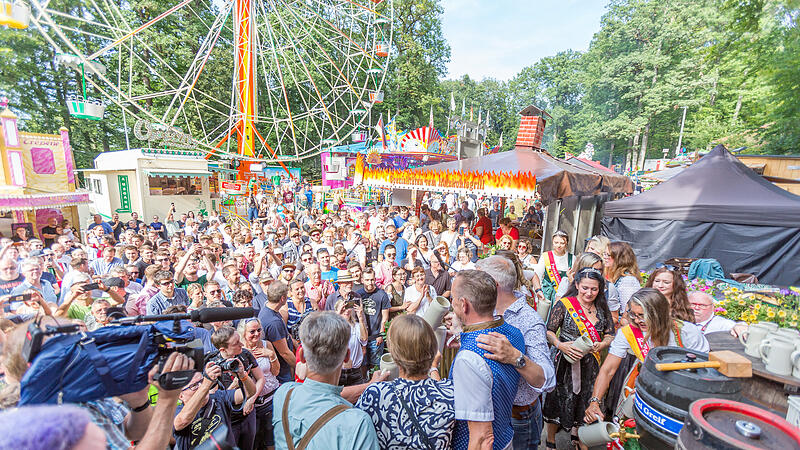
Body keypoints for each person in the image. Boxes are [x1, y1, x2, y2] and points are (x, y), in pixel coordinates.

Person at [584, 289, 709, 427]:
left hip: (681, 390)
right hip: (644, 385)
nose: (637, 320)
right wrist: (595, 401)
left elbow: (704, 368)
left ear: (660, 313)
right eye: (633, 314)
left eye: (643, 315)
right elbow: (608, 370)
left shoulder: (687, 331)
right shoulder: (628, 333)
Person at [476, 255, 555, 450]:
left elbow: (547, 379)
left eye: (477, 280)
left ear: (493, 285)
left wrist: (515, 357)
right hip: (491, 414)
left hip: (518, 419)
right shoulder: (486, 309)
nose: (473, 285)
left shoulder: (529, 320)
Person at [272, 311, 380, 450]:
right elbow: (327, 396)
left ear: (302, 356)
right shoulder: (358, 423)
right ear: (347, 356)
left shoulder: (284, 394)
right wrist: (371, 386)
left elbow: (320, 395)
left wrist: (369, 385)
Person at [449, 270, 524, 450]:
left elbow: (482, 437)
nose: (451, 303)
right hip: (505, 436)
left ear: (464, 304)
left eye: (453, 298)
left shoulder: (468, 359)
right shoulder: (514, 333)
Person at [356, 314, 455, 448]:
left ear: (393, 352)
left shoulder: (376, 394)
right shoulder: (450, 393)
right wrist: (433, 369)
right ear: (433, 349)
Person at [543, 268, 614, 449]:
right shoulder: (565, 304)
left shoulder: (602, 308)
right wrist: (560, 345)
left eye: (594, 289)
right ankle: (550, 440)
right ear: (576, 285)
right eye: (585, 288)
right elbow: (549, 331)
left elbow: (610, 334)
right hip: (565, 362)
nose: (589, 293)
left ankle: (580, 437)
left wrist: (602, 344)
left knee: (585, 400)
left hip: (591, 365)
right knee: (558, 399)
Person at [173, 359, 257, 450]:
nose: (200, 386)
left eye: (201, 381)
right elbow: (181, 422)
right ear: (180, 395)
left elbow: (250, 393)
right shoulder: (176, 412)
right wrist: (206, 384)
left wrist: (243, 375)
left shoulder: (219, 397)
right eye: (194, 386)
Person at [209, 326, 264, 450]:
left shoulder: (245, 354)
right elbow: (214, 400)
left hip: (248, 413)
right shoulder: (213, 365)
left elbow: (260, 378)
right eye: (236, 343)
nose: (241, 344)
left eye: (240, 340)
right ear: (223, 349)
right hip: (228, 419)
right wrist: (233, 386)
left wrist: (251, 400)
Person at [258, 282, 297, 383]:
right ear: (282, 298)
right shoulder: (273, 322)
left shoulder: (267, 308)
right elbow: (284, 353)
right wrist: (301, 369)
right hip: (281, 373)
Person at [356, 267, 390, 374]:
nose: (370, 282)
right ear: (362, 280)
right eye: (367, 280)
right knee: (362, 364)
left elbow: (385, 317)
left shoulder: (382, 294)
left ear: (375, 279)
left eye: (372, 279)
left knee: (375, 365)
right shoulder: (358, 295)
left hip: (376, 336)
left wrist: (381, 334)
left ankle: (374, 381)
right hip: (361, 337)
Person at [534, 230, 574, 307]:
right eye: (556, 242)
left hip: (563, 296)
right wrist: (538, 292)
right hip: (546, 295)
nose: (559, 245)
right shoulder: (545, 256)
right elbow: (538, 276)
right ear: (552, 242)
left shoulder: (572, 258)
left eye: (562, 243)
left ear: (566, 243)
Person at [334, 299, 368, 386]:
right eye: (343, 308)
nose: (346, 311)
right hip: (338, 372)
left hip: (355, 372)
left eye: (348, 308)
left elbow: (364, 339)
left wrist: (361, 318)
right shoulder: (333, 327)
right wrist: (337, 315)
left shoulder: (356, 326)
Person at [604, 241, 642, 318]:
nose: (605, 257)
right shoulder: (613, 275)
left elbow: (628, 310)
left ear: (620, 259)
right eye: (604, 254)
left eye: (608, 255)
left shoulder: (628, 281)